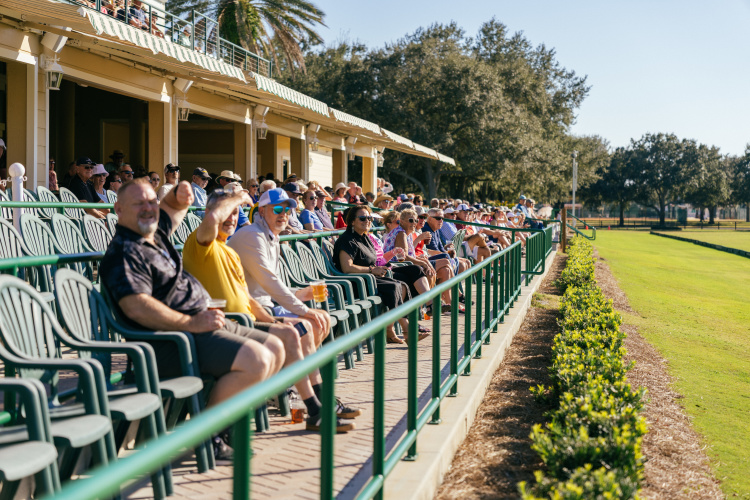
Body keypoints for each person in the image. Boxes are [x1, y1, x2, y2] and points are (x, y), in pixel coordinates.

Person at [101, 178, 284, 460]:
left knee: (276, 348)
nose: (149, 208)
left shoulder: (153, 233)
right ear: (118, 210)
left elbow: (173, 206)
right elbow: (137, 307)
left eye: (152, 201)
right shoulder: (125, 251)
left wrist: (179, 192)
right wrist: (190, 324)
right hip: (168, 343)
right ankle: (206, 434)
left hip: (198, 328)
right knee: (256, 360)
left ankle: (219, 429)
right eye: (139, 203)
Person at [183, 186, 357, 433]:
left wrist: (276, 320)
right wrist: (240, 199)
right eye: (227, 212)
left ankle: (316, 404)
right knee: (298, 329)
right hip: (224, 324)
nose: (232, 218)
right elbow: (268, 285)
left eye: (236, 213)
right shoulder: (202, 244)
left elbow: (249, 298)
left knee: (295, 329)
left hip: (245, 319)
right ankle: (314, 406)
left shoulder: (230, 252)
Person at [333, 206, 428, 344]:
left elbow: (376, 260)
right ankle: (406, 330)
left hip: (370, 277)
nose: (367, 221)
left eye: (369, 218)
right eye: (362, 218)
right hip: (355, 282)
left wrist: (384, 264)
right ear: (352, 222)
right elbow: (347, 268)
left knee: (406, 279)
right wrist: (372, 270)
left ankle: (395, 328)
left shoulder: (365, 237)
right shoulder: (347, 240)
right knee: (395, 287)